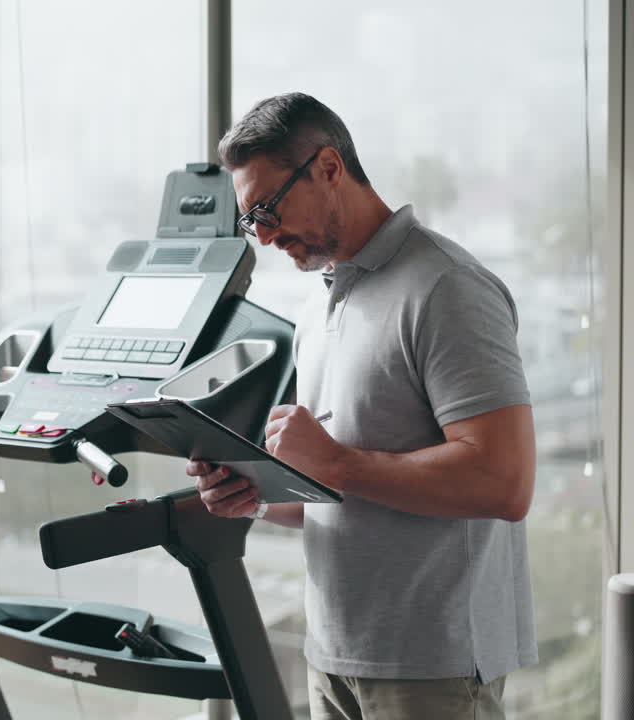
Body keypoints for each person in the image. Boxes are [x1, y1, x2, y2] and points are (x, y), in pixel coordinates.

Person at [189, 92, 536, 719]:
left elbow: (504, 482)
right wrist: (255, 493)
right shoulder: (317, 306)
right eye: (249, 221)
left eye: (267, 209)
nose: (262, 236)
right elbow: (337, 493)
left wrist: (337, 462)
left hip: (433, 665)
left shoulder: (448, 287)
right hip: (334, 657)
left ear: (328, 168)